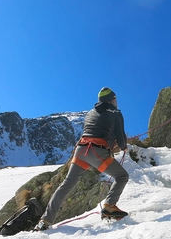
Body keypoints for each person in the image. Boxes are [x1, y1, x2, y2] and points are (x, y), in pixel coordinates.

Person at [34, 87, 129, 231]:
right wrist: (123, 146)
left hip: (81, 150)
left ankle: (45, 220)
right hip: (97, 151)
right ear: (112, 99)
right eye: (115, 99)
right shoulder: (116, 113)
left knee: (66, 185)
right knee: (122, 176)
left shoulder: (91, 112)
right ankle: (109, 206)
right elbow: (121, 140)